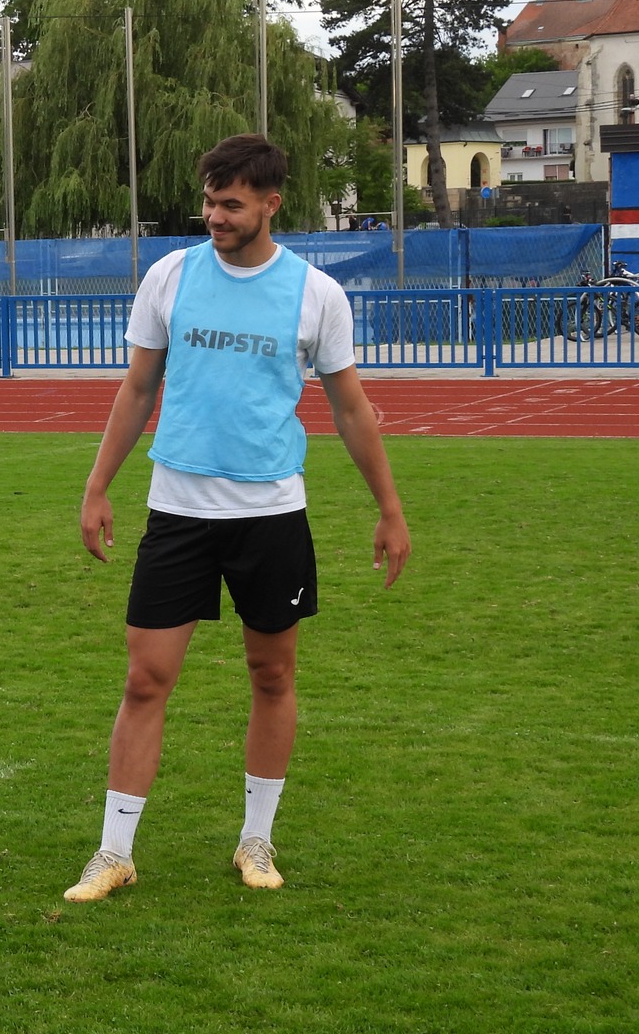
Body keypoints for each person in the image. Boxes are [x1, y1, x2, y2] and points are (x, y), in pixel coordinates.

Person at [65, 134, 410, 904]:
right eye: (209, 202)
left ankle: (256, 839)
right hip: (177, 512)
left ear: (270, 204)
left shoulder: (317, 294)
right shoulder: (170, 276)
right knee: (145, 678)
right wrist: (97, 485)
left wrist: (389, 509)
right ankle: (113, 853)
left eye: (230, 204)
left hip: (271, 515)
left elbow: (351, 408)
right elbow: (137, 389)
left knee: (273, 674)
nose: (214, 216)